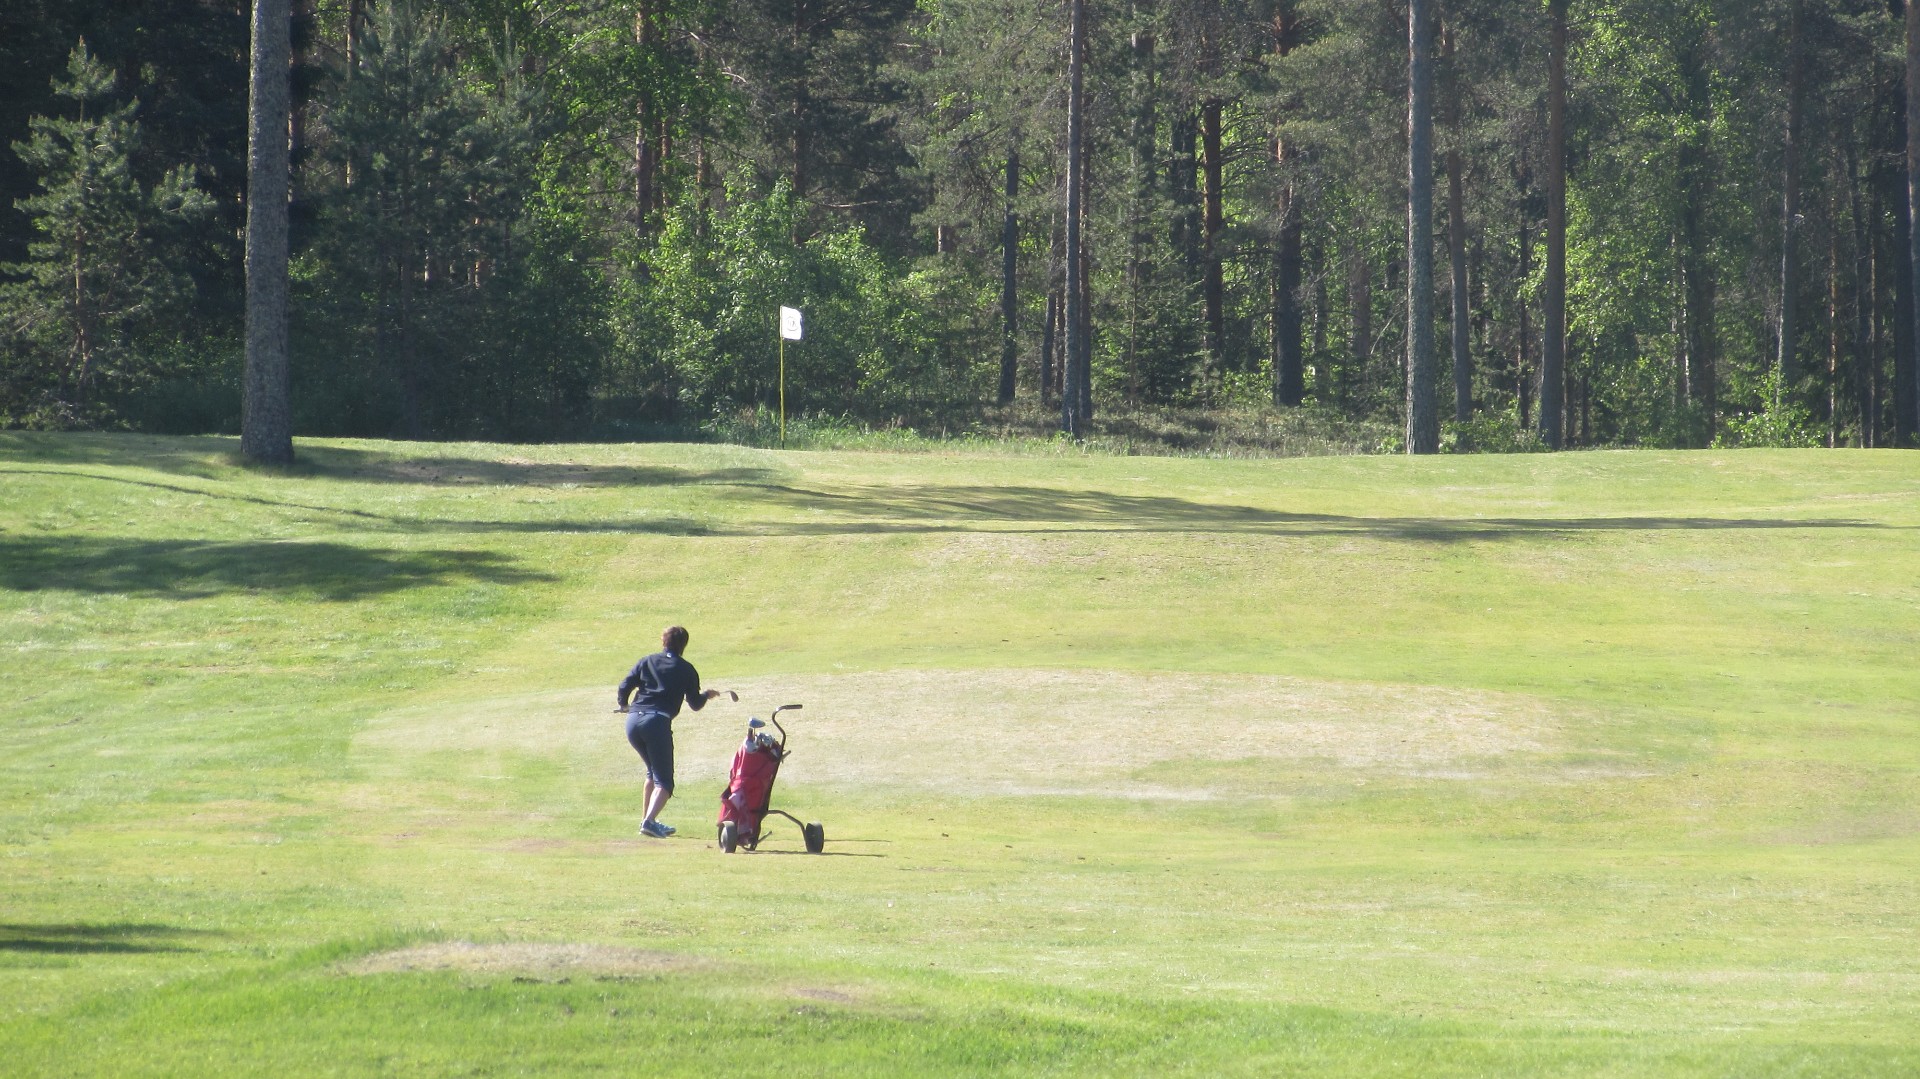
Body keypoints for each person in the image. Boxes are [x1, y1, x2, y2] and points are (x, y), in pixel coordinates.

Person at [617, 625, 730, 837]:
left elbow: (625, 685)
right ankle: (649, 822)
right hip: (657, 722)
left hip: (633, 721)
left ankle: (648, 820)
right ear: (683, 645)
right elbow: (695, 703)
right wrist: (707, 695)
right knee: (665, 781)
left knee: (652, 772)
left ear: (663, 641)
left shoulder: (647, 661)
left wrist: (624, 705)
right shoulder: (686, 669)